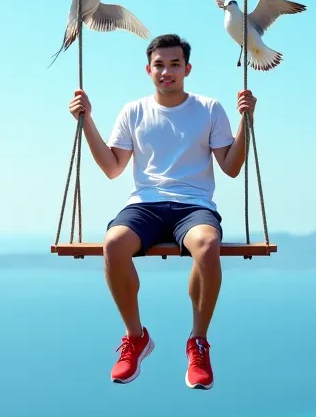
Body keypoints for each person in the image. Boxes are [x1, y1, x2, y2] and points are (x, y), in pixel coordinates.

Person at [69, 33, 256, 390]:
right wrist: (87, 121)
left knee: (207, 245)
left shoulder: (209, 109)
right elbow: (112, 167)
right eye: (159, 65)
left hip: (194, 205)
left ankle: (198, 343)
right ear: (148, 69)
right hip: (146, 205)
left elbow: (231, 167)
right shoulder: (133, 111)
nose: (166, 72)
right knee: (113, 244)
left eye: (174, 65)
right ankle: (135, 337)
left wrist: (246, 121)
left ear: (187, 69)